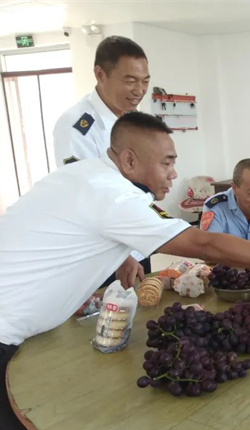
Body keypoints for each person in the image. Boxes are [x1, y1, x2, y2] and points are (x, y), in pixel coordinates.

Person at [0, 112, 250, 430]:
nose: (174, 174)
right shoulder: (115, 196)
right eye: (167, 163)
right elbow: (204, 244)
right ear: (129, 160)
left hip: (9, 323)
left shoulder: (88, 175)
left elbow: (74, 226)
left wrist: (117, 252)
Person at [53, 35, 151, 287]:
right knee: (107, 312)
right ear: (100, 74)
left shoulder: (132, 119)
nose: (139, 90)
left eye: (145, 81)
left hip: (136, 243)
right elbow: (82, 196)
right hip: (103, 256)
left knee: (147, 306)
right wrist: (119, 257)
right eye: (130, 81)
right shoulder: (78, 126)